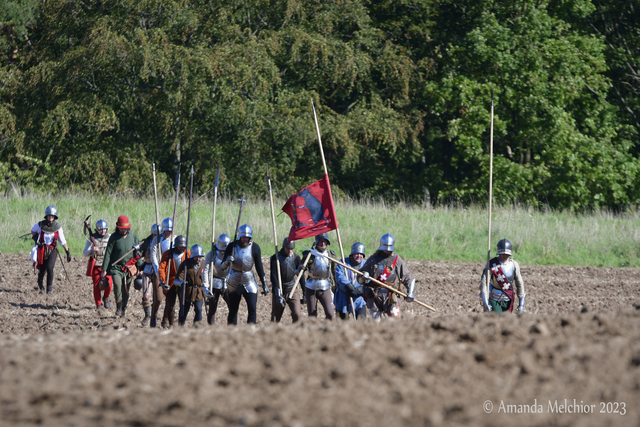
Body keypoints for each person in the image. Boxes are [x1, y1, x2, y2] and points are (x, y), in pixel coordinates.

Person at [358, 233, 416, 319]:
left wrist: (410, 292)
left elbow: (407, 276)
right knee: (376, 323)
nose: (387, 250)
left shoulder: (396, 259)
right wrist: (363, 277)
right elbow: (359, 279)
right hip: (375, 295)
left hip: (391, 296)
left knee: (396, 321)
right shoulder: (373, 259)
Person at [221, 224, 268, 324]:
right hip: (234, 281)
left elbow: (259, 267)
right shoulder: (231, 246)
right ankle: (231, 332)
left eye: (247, 237)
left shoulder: (255, 247)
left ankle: (251, 331)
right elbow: (222, 266)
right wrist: (227, 261)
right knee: (233, 311)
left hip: (249, 281)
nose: (245, 239)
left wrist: (264, 283)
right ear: (240, 236)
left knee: (252, 309)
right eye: (243, 237)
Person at [101, 215, 142, 318]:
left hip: (129, 268)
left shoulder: (133, 236)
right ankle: (118, 305)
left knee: (126, 290)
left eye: (125, 228)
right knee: (117, 284)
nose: (124, 230)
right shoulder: (113, 237)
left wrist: (140, 268)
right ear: (117, 227)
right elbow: (108, 253)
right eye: (121, 228)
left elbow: (138, 254)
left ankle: (124, 308)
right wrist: (104, 269)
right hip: (116, 268)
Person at [31, 205, 72, 295]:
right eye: (49, 215)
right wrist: (36, 237)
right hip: (42, 249)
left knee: (50, 268)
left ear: (55, 217)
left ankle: (49, 289)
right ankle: (40, 284)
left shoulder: (58, 227)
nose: (51, 217)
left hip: (52, 250)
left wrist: (67, 251)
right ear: (46, 216)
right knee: (42, 270)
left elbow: (62, 241)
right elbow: (33, 231)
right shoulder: (41, 225)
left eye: (52, 216)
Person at [479, 239, 526, 314]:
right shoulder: (492, 264)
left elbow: (519, 283)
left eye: (506, 254)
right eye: (502, 254)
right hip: (494, 298)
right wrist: (485, 301)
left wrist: (521, 304)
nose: (504, 255)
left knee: (506, 322)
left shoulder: (514, 264)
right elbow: (484, 282)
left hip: (508, 297)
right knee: (497, 320)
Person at [270, 237, 306, 323]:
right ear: (283, 247)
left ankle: (295, 333)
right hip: (279, 289)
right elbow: (273, 276)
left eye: (291, 249)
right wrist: (278, 293)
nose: (290, 251)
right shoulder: (276, 258)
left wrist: (304, 292)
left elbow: (300, 275)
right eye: (288, 248)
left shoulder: (296, 258)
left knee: (297, 315)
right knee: (275, 318)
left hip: (292, 288)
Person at [301, 233, 336, 321]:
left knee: (330, 314)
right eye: (321, 241)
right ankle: (313, 334)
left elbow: (335, 271)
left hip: (325, 285)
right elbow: (300, 269)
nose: (323, 243)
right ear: (316, 242)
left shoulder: (330, 254)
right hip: (311, 286)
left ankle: (325, 332)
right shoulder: (310, 255)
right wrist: (301, 267)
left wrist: (337, 285)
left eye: (325, 241)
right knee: (312, 317)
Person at [149, 217, 176, 327]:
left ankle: (165, 320)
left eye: (170, 230)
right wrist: (157, 270)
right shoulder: (157, 240)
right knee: (159, 298)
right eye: (167, 230)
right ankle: (154, 314)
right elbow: (153, 256)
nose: (168, 232)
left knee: (170, 300)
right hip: (159, 272)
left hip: (172, 272)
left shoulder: (175, 239)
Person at [158, 235, 190, 328]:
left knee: (183, 304)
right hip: (170, 281)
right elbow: (162, 268)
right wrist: (163, 281)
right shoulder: (167, 254)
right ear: (176, 246)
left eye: (184, 246)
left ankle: (181, 324)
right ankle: (171, 324)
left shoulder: (187, 253)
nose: (182, 248)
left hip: (182, 281)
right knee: (170, 305)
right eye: (180, 246)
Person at [82, 219, 112, 310]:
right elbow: (85, 252)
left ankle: (106, 297)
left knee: (109, 284)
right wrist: (92, 250)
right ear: (97, 229)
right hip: (96, 265)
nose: (103, 231)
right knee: (96, 285)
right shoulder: (92, 238)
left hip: (107, 265)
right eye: (101, 229)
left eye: (104, 229)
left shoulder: (110, 237)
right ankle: (98, 304)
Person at [202, 234, 231, 325]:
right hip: (213, 283)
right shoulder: (212, 254)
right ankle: (211, 329)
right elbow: (206, 270)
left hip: (227, 283)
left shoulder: (232, 254)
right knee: (212, 309)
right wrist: (206, 286)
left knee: (233, 307)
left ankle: (232, 326)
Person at [334, 242, 367, 320]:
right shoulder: (343, 262)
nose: (359, 256)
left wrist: (362, 289)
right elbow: (339, 276)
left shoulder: (366, 264)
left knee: (361, 322)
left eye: (361, 254)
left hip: (359, 299)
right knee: (342, 323)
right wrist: (347, 285)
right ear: (352, 254)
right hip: (343, 297)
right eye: (356, 254)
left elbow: (369, 279)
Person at [175, 244, 206, 326]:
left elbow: (208, 275)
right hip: (187, 291)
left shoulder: (204, 263)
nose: (198, 258)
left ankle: (197, 328)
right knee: (184, 311)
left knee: (199, 310)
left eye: (199, 256)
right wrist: (181, 282)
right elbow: (178, 278)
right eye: (196, 256)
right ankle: (180, 328)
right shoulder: (185, 264)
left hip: (199, 291)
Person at [136, 223, 161, 325]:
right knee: (146, 296)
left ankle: (154, 316)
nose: (155, 236)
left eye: (157, 235)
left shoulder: (163, 242)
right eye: (154, 235)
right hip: (147, 268)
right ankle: (147, 315)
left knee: (158, 296)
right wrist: (137, 250)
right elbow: (138, 255)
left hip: (159, 270)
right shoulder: (146, 242)